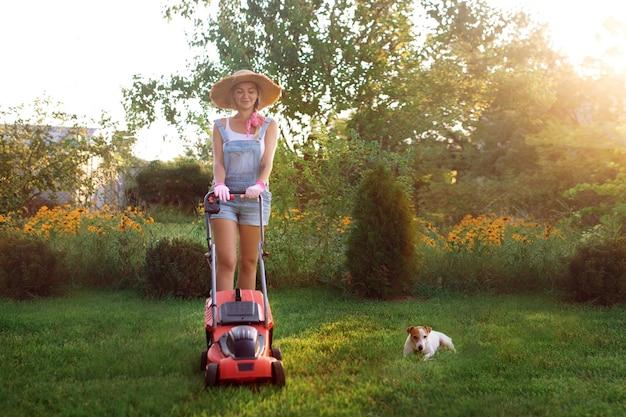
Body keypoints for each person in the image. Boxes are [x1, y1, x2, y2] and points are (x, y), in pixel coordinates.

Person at [208, 69, 282, 291]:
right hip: (225, 199)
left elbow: (267, 161)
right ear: (232, 97)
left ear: (257, 95)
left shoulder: (269, 125)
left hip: (255, 199)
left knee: (249, 261)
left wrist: (260, 184)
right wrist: (219, 184)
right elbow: (218, 162)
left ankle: (246, 318)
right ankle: (222, 316)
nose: (245, 95)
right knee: (227, 260)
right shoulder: (221, 126)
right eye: (239, 91)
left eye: (250, 91)